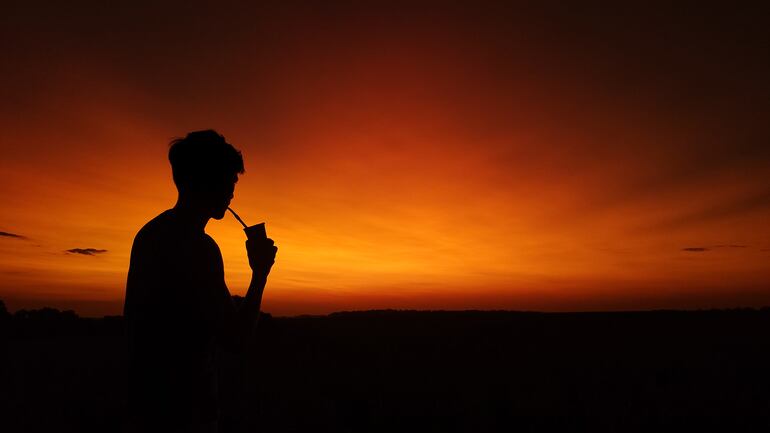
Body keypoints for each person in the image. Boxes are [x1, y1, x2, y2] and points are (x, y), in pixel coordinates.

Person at [123, 130, 277, 432]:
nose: (232, 192)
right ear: (205, 180)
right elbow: (236, 340)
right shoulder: (198, 247)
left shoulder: (150, 234)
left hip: (146, 408)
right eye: (229, 180)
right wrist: (260, 274)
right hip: (185, 412)